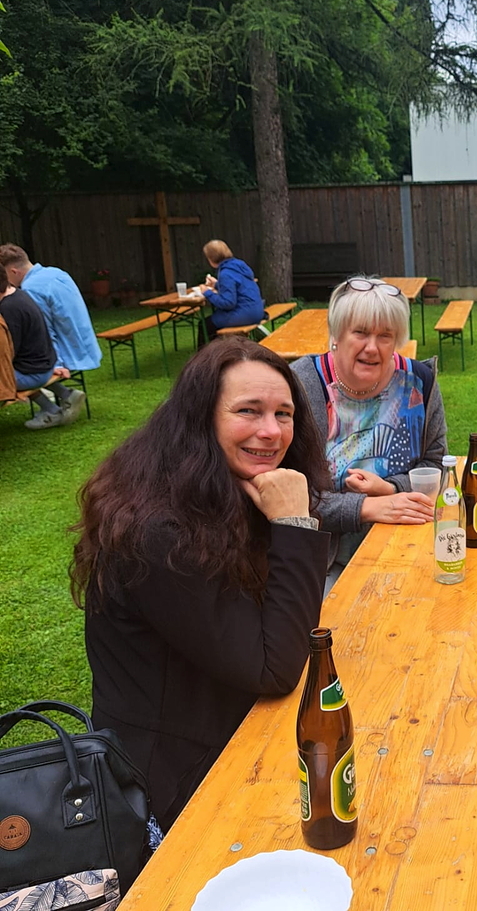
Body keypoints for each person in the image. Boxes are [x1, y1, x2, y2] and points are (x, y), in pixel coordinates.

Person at [70, 339, 333, 830]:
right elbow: (274, 669)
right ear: (200, 418)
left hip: (232, 731)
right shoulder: (157, 531)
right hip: (170, 785)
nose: (271, 431)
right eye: (248, 411)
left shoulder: (221, 494)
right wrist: (294, 526)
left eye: (284, 413)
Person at [291, 276, 446, 589]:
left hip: (407, 542)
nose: (372, 348)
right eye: (360, 332)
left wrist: (390, 488)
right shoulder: (301, 385)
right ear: (336, 334)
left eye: (385, 335)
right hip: (323, 559)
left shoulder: (419, 382)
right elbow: (285, 494)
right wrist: (365, 507)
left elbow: (436, 463)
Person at [0, 262, 87, 429]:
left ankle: (51, 412)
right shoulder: (18, 294)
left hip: (34, 371)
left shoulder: (8, 309)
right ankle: (65, 394)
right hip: (45, 363)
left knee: (4, 380)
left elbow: (8, 352)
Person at [0, 243, 102, 373]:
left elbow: (45, 330)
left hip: (68, 356)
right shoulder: (57, 272)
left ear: (13, 272)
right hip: (87, 347)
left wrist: (55, 364)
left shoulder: (31, 288)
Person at [192, 239, 265, 341]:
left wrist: (207, 292)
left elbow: (228, 303)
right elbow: (237, 285)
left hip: (245, 314)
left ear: (211, 259)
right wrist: (217, 284)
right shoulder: (239, 266)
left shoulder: (225, 273)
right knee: (213, 320)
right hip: (257, 311)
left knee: (205, 325)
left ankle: (209, 351)